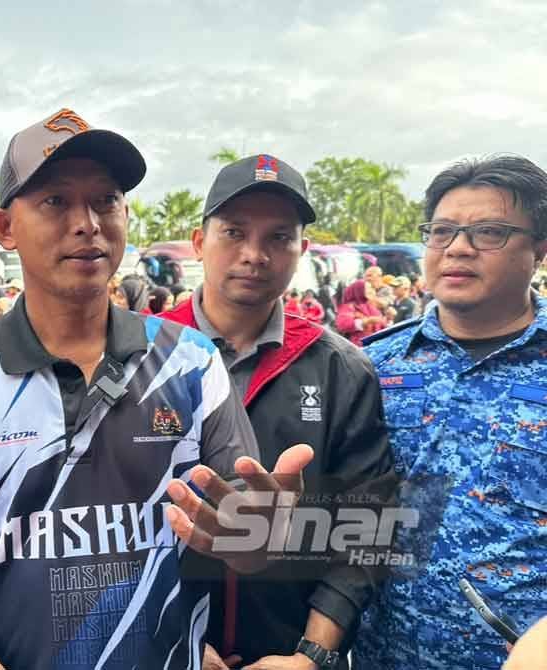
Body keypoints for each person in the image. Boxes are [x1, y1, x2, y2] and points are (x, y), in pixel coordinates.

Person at [0, 109, 308, 670]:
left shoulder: (191, 365)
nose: (87, 223)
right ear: (4, 228)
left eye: (105, 200)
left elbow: (245, 537)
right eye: (55, 202)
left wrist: (261, 535)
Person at [162, 154, 396, 670]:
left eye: (278, 237)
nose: (254, 254)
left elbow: (366, 524)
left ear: (302, 251)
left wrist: (310, 655)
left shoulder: (341, 370)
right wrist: (168, 640)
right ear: (200, 243)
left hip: (286, 649)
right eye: (234, 232)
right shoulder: (141, 354)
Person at [353, 155, 547, 670]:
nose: (458, 248)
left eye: (489, 232)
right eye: (441, 232)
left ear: (541, 248)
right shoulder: (372, 365)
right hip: (383, 658)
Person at [335, 279, 387, 346]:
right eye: (368, 288)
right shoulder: (348, 307)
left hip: (377, 344)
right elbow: (342, 325)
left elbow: (382, 325)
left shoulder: (370, 305)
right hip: (361, 347)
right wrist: (366, 321)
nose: (371, 290)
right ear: (359, 290)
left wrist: (388, 318)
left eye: (371, 288)